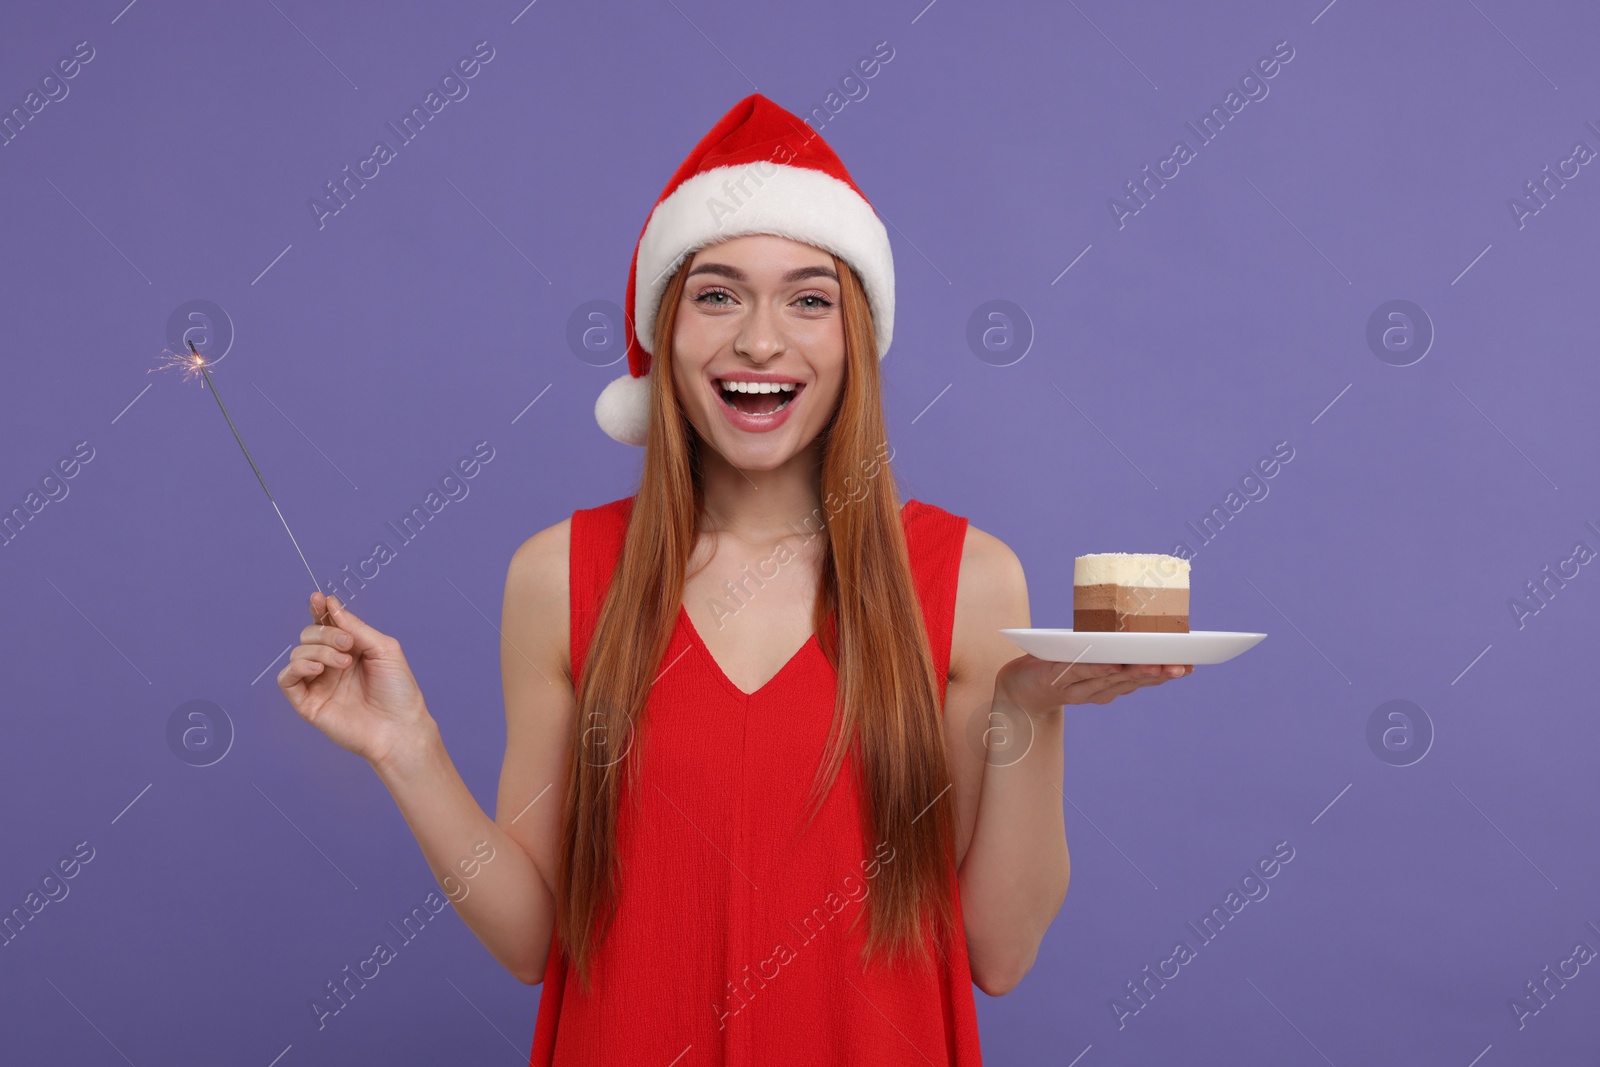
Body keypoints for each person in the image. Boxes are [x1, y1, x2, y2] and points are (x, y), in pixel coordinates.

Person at [277, 94, 1191, 1064]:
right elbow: (535, 938)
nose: (760, 340)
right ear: (662, 336)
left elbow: (998, 954)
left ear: (856, 344)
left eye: (808, 298)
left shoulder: (969, 578)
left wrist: (1026, 710)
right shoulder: (559, 574)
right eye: (717, 294)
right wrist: (405, 746)